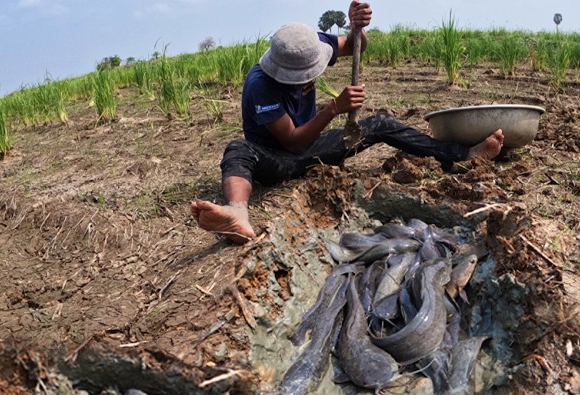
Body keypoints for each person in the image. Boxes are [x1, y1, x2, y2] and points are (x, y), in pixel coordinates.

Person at [191, 1, 504, 243]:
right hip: (276, 159)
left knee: (380, 123)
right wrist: (333, 109)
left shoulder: (311, 45)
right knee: (238, 150)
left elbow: (355, 45)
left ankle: (462, 155)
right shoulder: (260, 85)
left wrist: (357, 27)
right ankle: (237, 213)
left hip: (314, 148)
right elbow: (292, 142)